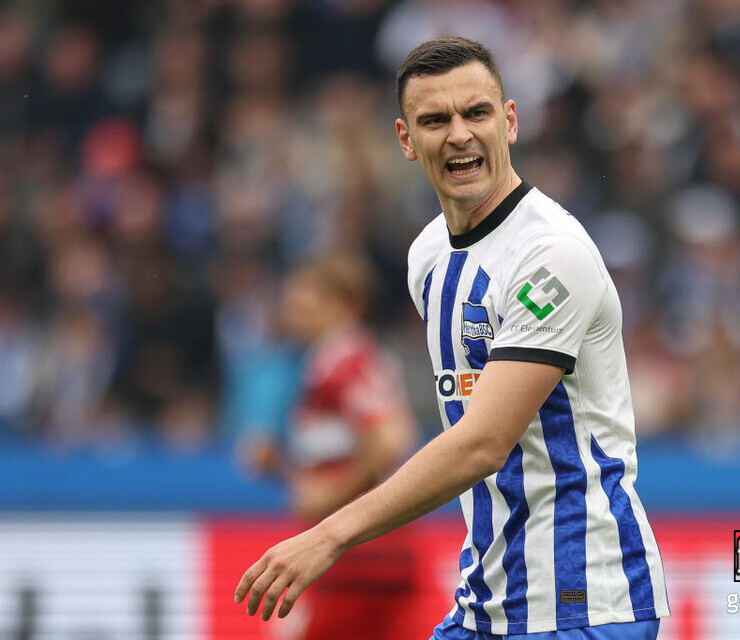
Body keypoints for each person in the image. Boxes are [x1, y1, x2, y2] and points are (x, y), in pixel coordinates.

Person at [235, 36, 670, 639]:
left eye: (477, 113)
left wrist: (328, 534)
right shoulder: (428, 257)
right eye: (435, 120)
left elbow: (483, 442)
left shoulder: (551, 255)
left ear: (509, 121)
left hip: (582, 600)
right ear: (405, 139)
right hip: (488, 600)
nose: (459, 134)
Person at [238, 250, 419, 639]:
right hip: (367, 553)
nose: (294, 308)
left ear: (344, 303)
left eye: (307, 298)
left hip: (360, 554)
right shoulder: (326, 361)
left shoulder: (346, 359)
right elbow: (340, 462)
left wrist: (331, 495)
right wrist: (281, 467)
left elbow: (391, 438)